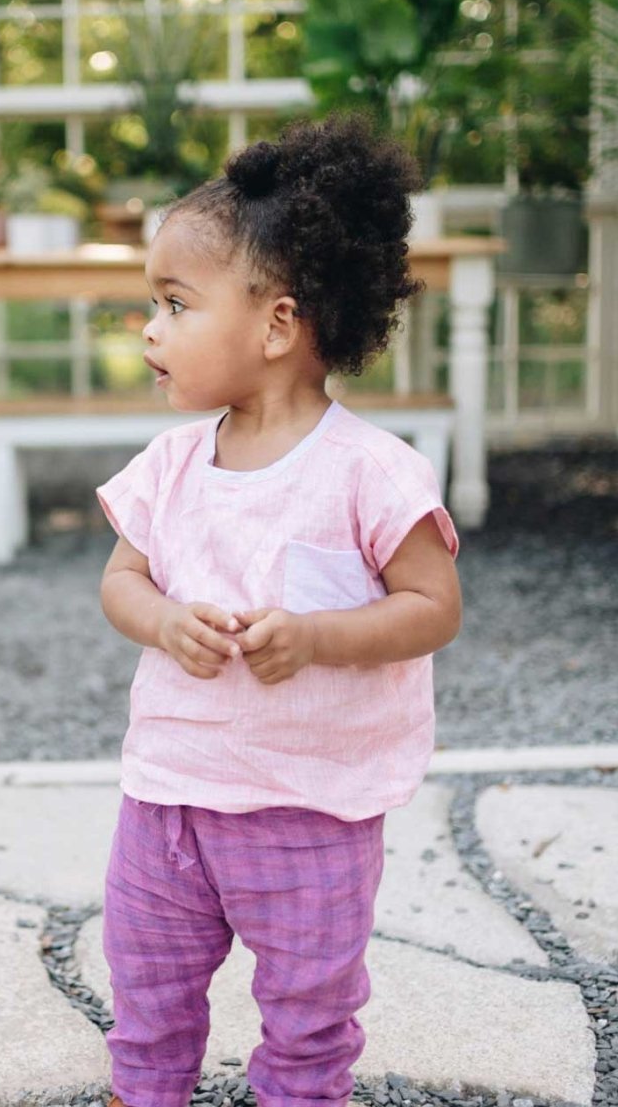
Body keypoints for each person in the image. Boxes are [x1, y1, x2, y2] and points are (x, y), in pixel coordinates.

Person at [95, 113, 463, 1107]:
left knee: (307, 1023)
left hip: (310, 812)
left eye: (175, 305)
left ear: (276, 325)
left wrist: (318, 639)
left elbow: (434, 607)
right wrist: (161, 619)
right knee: (149, 1006)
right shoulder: (171, 466)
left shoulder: (371, 475)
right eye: (152, 305)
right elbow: (120, 581)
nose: (150, 330)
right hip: (168, 802)